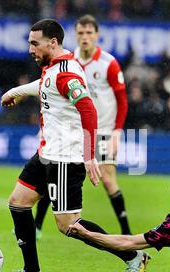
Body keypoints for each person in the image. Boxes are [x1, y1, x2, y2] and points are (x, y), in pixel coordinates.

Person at [0, 19, 149, 272]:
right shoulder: (54, 67)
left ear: (53, 43)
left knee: (69, 225)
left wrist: (90, 155)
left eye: (35, 43)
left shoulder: (67, 73)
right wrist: (16, 91)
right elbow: (46, 84)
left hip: (66, 159)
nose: (30, 49)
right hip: (46, 153)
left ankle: (133, 255)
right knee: (18, 202)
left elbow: (88, 109)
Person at [9, 15, 133, 239]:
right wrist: (17, 92)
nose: (85, 37)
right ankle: (35, 235)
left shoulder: (107, 63)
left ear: (96, 35)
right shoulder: (63, 60)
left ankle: (125, 239)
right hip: (62, 138)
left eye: (89, 33)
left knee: (105, 181)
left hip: (98, 131)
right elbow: (50, 90)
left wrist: (115, 132)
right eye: (81, 33)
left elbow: (112, 103)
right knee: (25, 197)